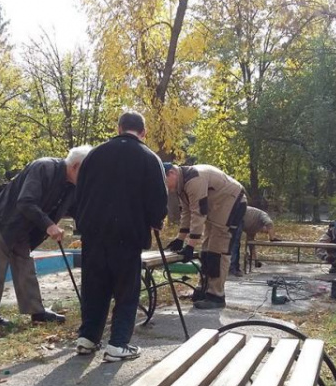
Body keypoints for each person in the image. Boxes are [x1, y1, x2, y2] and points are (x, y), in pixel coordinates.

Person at [74, 111, 168, 362]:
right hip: (128, 234)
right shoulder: (150, 158)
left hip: (93, 233)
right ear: (143, 132)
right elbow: (159, 199)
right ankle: (117, 344)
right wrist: (156, 220)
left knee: (95, 286)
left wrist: (82, 223)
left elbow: (79, 192)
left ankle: (88, 337)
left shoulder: (94, 154)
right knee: (126, 290)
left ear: (119, 128)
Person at [0, 145, 93, 328]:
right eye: (87, 171)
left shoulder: (72, 186)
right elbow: (25, 201)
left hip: (25, 224)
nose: (89, 178)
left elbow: (78, 211)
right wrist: (49, 225)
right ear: (75, 166)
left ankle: (36, 312)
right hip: (5, 217)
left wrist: (93, 230)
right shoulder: (43, 167)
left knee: (24, 263)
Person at [164, 163, 247, 309]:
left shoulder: (194, 179)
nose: (164, 186)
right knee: (207, 250)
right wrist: (180, 239)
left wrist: (190, 245)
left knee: (218, 250)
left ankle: (216, 296)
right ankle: (204, 289)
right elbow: (187, 212)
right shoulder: (182, 184)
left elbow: (198, 212)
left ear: (172, 173)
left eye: (163, 181)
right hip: (217, 207)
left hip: (231, 202)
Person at [229, 206, 277, 276]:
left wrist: (256, 261)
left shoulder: (254, 228)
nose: (264, 232)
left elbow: (251, 245)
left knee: (236, 244)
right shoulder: (263, 215)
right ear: (264, 226)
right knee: (235, 244)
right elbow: (270, 223)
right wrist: (272, 237)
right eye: (266, 231)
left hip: (241, 218)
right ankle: (232, 269)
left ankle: (235, 268)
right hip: (238, 214)